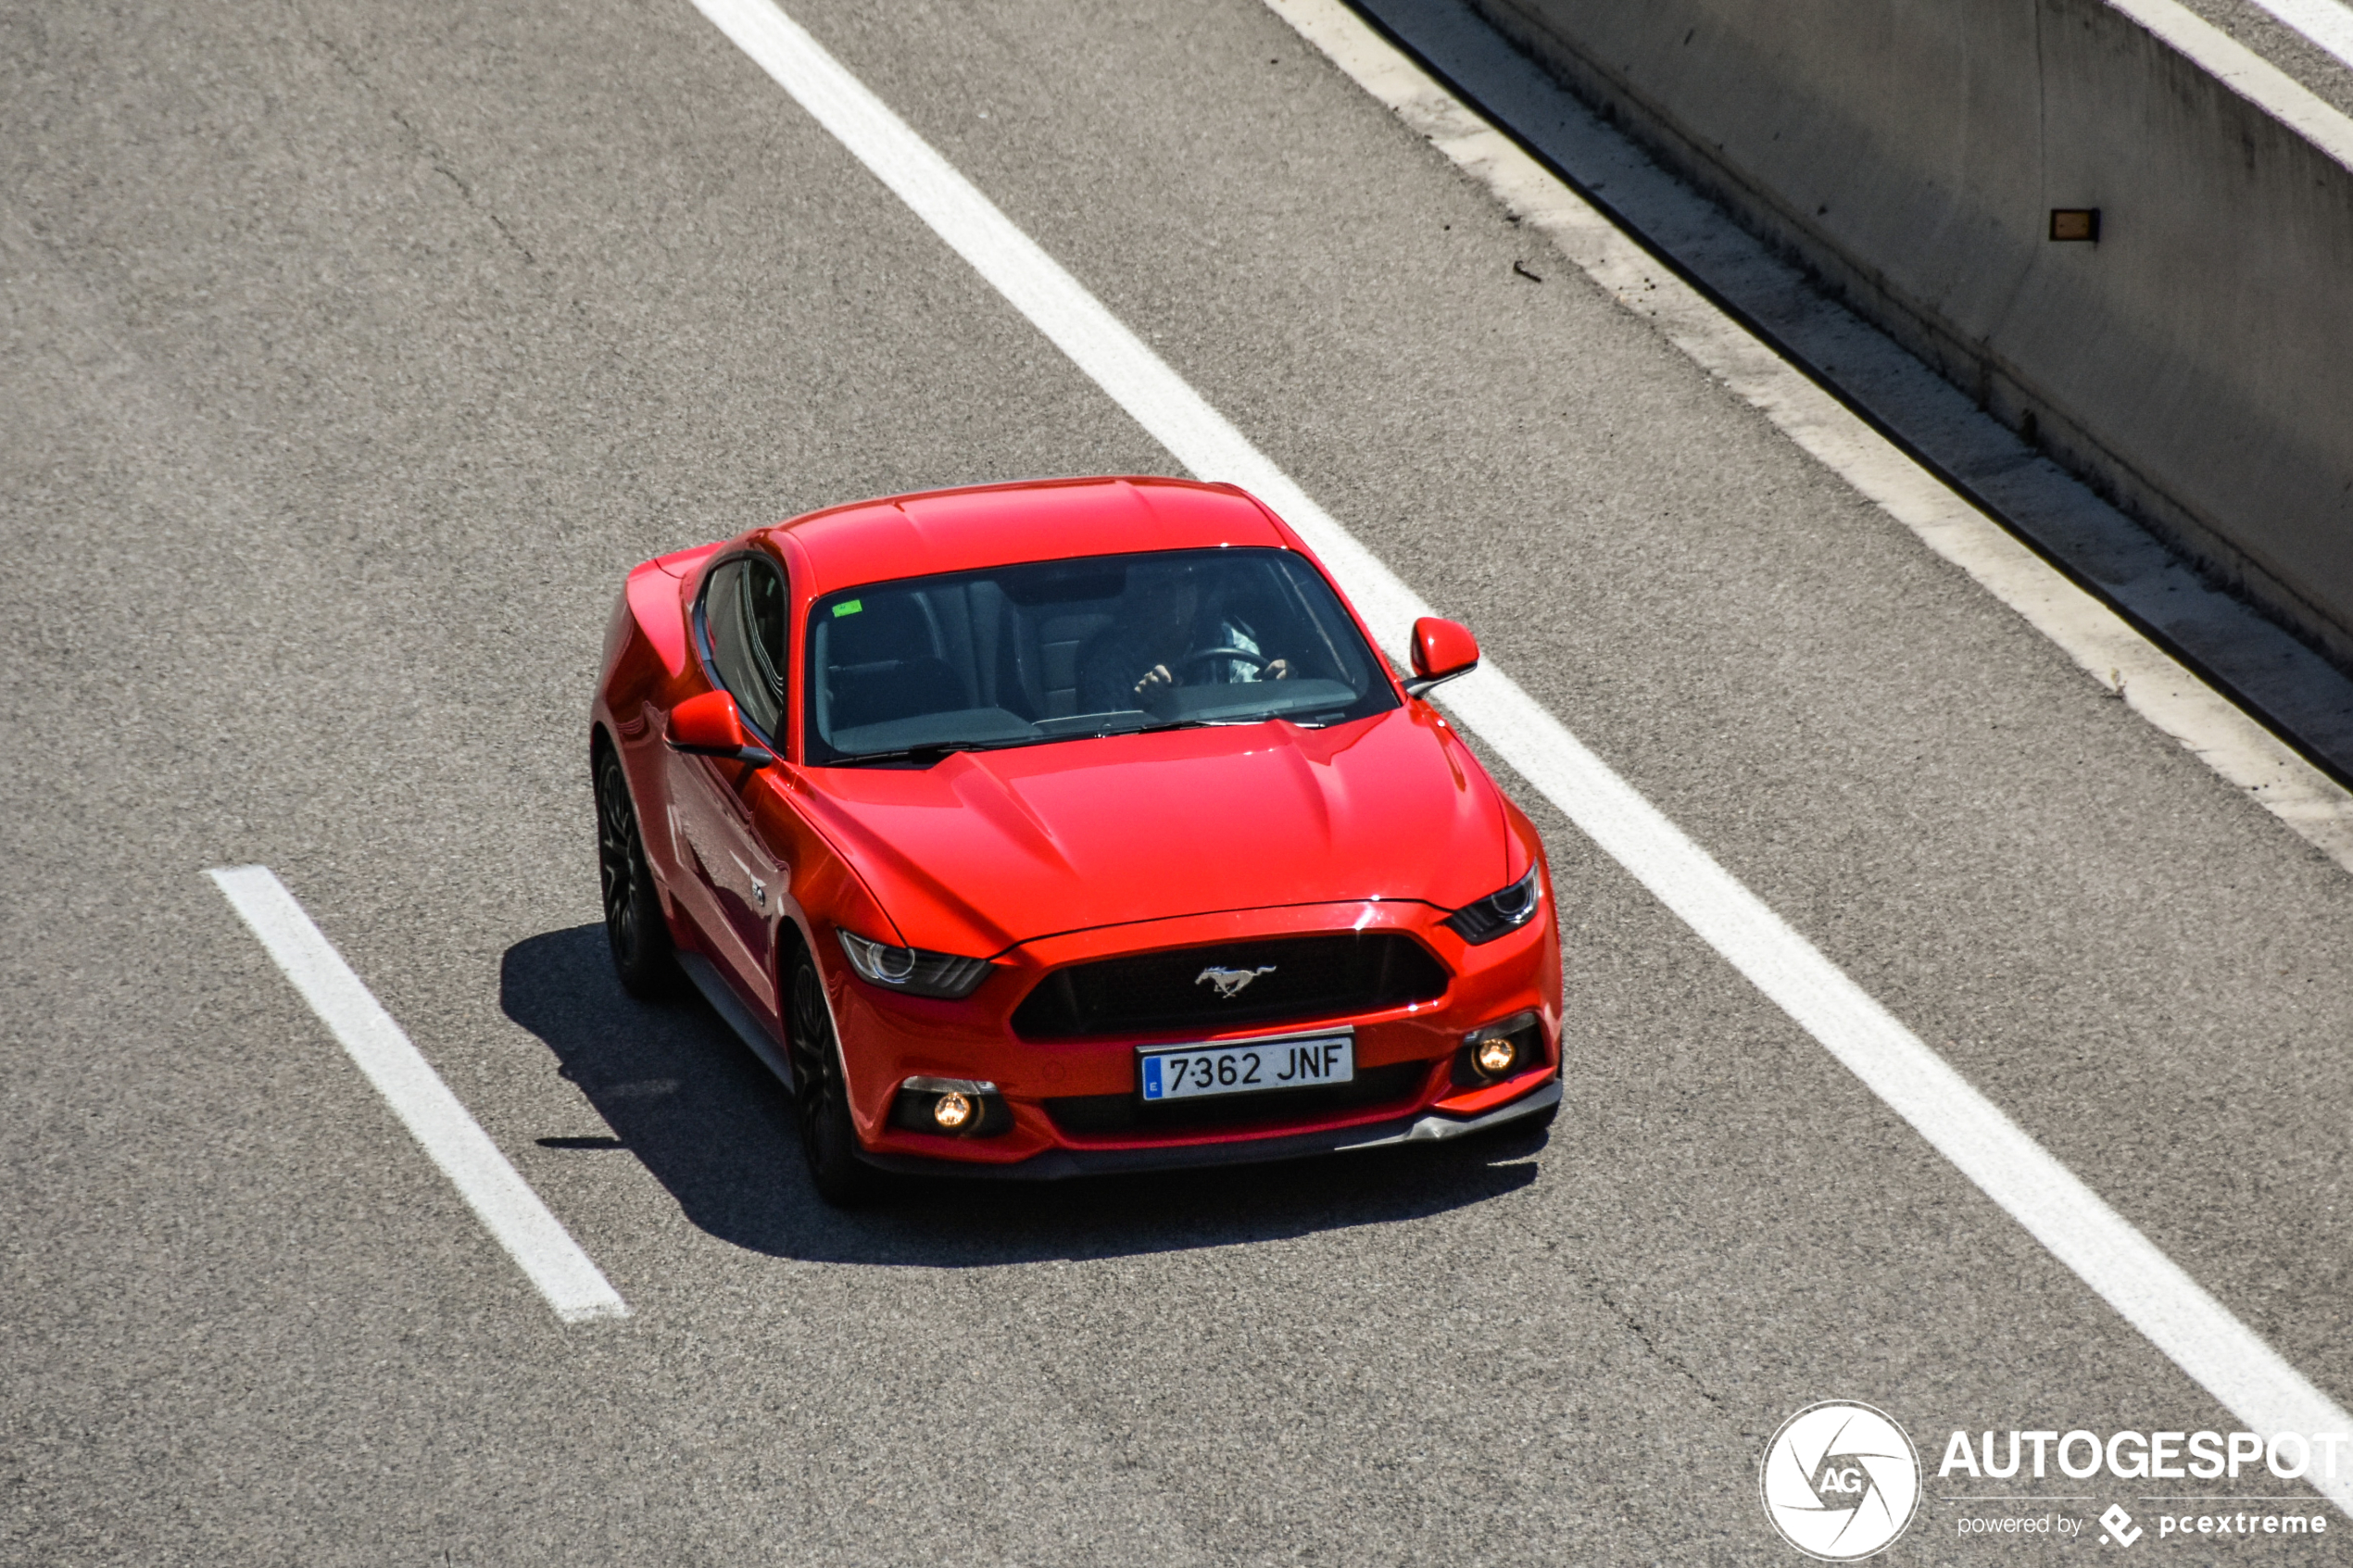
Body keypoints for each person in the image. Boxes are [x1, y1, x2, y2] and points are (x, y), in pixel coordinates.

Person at [1073, 561, 1290, 715]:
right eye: (1164, 587)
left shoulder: (1229, 643)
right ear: (1143, 596)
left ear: (1197, 593)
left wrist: (1278, 685)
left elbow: (1257, 712)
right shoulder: (1111, 661)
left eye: (1186, 584)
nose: (1176, 599)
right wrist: (1141, 707)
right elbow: (1108, 746)